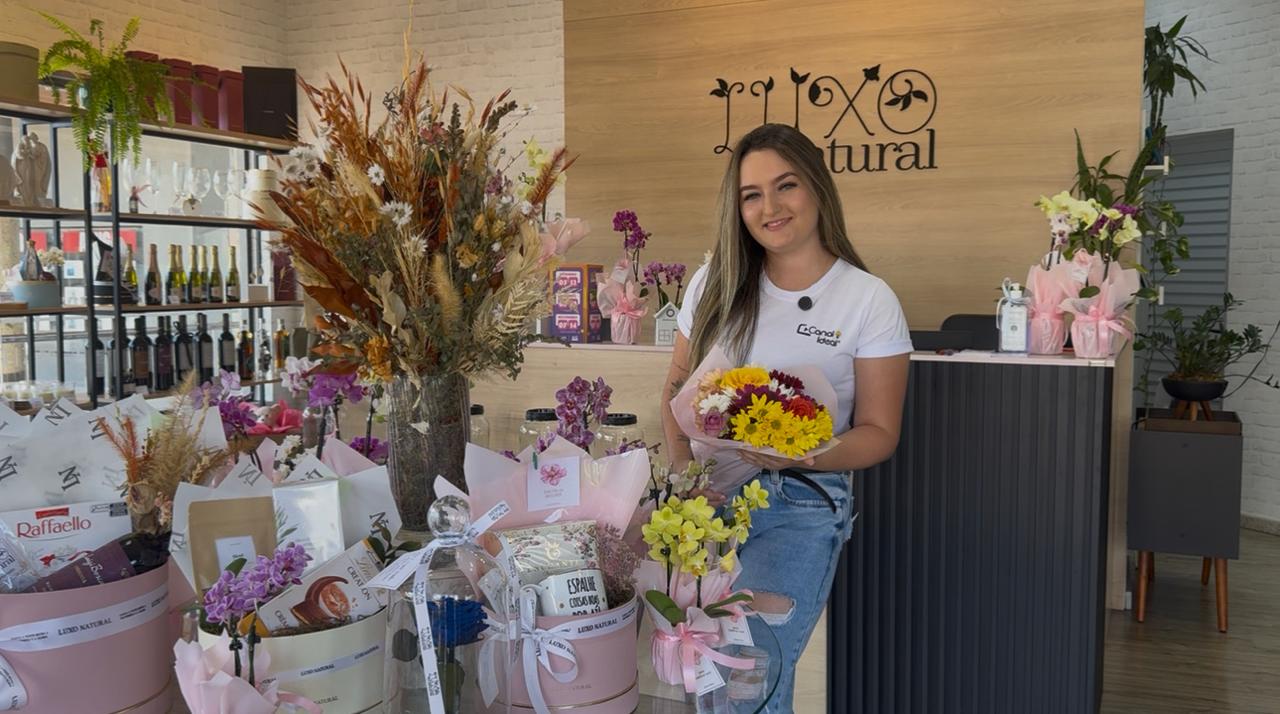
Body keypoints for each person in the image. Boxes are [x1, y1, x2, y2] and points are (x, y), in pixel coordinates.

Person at [660, 123, 913, 711]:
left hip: (800, 500)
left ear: (817, 188)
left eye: (785, 186)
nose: (769, 207)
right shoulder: (715, 282)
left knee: (750, 666)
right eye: (751, 194)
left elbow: (879, 433)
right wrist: (681, 480)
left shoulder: (868, 299)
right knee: (706, 671)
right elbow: (676, 388)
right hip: (707, 499)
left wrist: (805, 453)